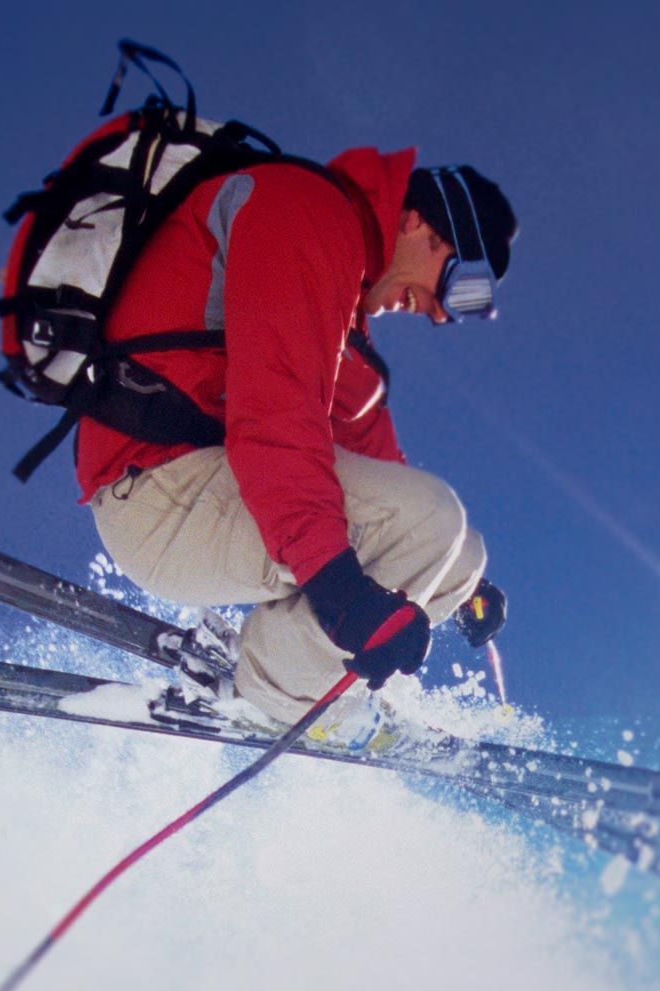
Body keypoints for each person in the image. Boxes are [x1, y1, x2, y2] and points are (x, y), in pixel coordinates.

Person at [76, 145, 517, 740]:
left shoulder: (341, 306)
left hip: (206, 490)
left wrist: (459, 586)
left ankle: (307, 683)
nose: (442, 314)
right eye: (461, 287)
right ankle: (277, 693)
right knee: (432, 522)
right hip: (157, 489)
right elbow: (276, 421)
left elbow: (376, 470)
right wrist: (340, 592)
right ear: (419, 222)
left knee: (458, 547)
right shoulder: (305, 213)